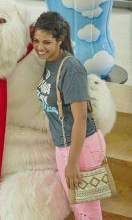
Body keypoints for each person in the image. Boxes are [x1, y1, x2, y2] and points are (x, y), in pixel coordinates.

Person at [32, 12, 105, 220]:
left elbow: (80, 119)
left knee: (87, 211)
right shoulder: (49, 60)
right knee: (78, 207)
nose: (40, 47)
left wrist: (72, 163)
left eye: (47, 42)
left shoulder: (71, 69)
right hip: (64, 145)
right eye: (36, 41)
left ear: (60, 40)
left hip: (81, 147)